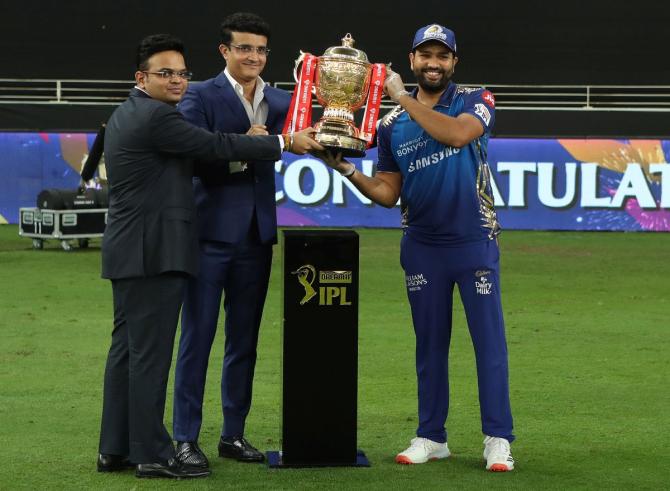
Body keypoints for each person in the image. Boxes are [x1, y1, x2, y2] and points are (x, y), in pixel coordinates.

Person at [97, 33, 321, 480]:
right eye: (165, 73)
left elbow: (203, 157)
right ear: (142, 77)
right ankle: (153, 454)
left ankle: (115, 448)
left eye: (181, 73)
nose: (177, 81)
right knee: (150, 356)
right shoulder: (158, 118)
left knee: (127, 352)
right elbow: (214, 147)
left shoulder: (131, 112)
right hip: (153, 251)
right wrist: (280, 143)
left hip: (132, 248)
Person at [316, 24, 515, 472]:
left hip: (473, 242)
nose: (433, 63)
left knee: (489, 345)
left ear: (453, 63)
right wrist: (347, 169)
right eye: (425, 55)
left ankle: (498, 438)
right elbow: (388, 192)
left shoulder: (475, 99)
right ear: (412, 60)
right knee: (429, 346)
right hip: (422, 246)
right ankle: (431, 435)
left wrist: (401, 98)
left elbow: (458, 136)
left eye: (442, 56)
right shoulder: (390, 127)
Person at [171, 13, 291, 468]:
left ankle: (233, 435)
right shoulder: (199, 94)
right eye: (244, 48)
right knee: (196, 339)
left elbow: (310, 130)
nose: (253, 57)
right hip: (208, 236)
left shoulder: (279, 100)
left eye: (260, 50)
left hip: (257, 238)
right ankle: (185, 437)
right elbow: (195, 153)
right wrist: (247, 143)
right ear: (225, 51)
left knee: (244, 342)